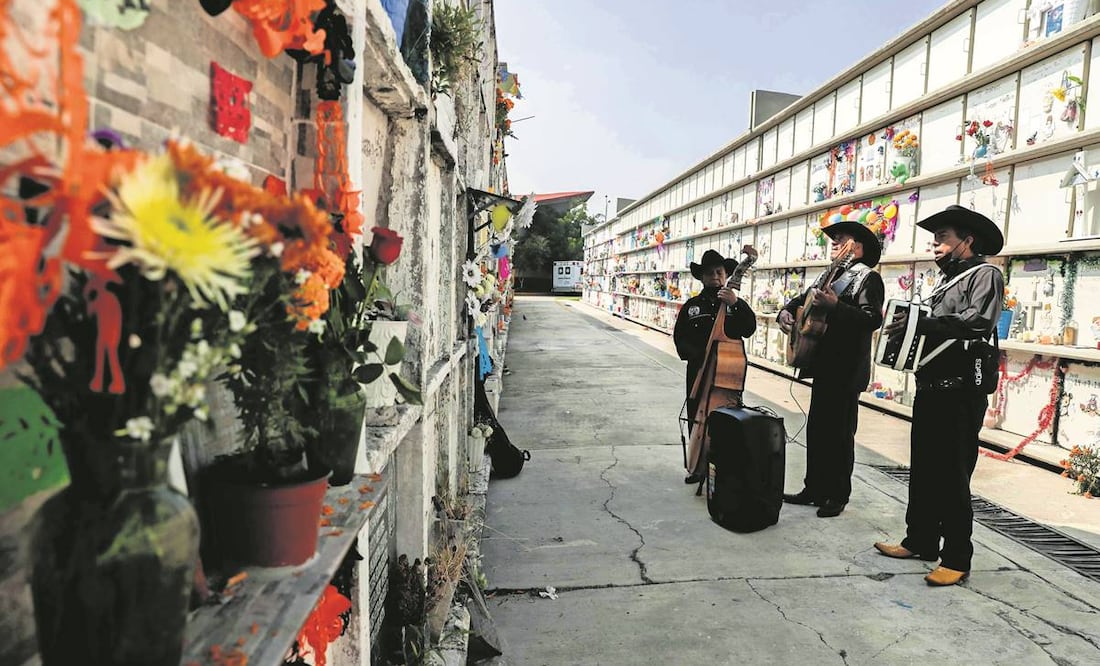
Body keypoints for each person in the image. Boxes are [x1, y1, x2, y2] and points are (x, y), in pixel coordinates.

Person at [874, 205, 1004, 587]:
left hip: (960, 394)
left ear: (968, 241)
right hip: (931, 389)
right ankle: (920, 540)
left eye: (943, 237)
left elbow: (978, 321)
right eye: (935, 238)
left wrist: (924, 323)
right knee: (924, 470)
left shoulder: (986, 275)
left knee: (951, 476)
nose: (935, 244)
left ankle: (957, 557)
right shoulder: (944, 281)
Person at [777, 221, 884, 518]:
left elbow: (872, 319)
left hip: (846, 369)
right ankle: (813, 488)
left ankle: (837, 495)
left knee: (839, 435)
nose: (834, 243)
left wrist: (837, 306)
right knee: (818, 431)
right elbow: (800, 301)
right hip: (823, 365)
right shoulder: (829, 275)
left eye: (841, 239)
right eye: (833, 239)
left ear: (857, 247)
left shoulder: (868, 278)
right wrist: (785, 312)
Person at [674, 249, 756, 484]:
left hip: (726, 377)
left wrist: (736, 304)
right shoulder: (692, 306)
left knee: (726, 422)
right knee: (696, 416)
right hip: (699, 371)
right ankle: (697, 466)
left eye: (719, 272)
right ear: (702, 277)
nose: (715, 277)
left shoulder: (735, 304)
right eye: (710, 273)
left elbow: (749, 329)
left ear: (727, 274)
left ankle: (722, 467)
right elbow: (680, 337)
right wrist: (698, 355)